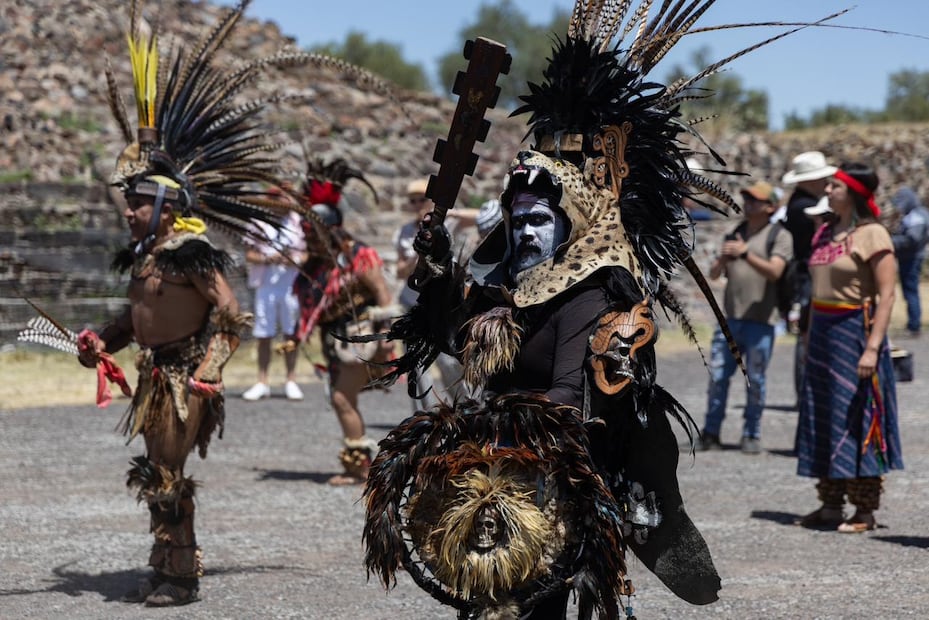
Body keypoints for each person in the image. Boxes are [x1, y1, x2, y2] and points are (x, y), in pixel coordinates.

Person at [357, 4, 814, 616]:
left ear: (570, 221)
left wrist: (497, 439)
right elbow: (450, 335)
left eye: (539, 219)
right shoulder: (506, 291)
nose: (525, 230)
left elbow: (569, 396)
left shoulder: (595, 292)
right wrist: (438, 268)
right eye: (518, 218)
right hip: (498, 464)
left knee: (539, 600)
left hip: (559, 470)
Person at [73, 3, 307, 606]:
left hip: (183, 379)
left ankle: (181, 576)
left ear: (163, 208)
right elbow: (135, 319)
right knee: (156, 471)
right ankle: (163, 563)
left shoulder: (192, 255)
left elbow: (230, 315)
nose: (128, 212)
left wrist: (208, 371)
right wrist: (102, 341)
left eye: (137, 203)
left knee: (169, 473)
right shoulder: (146, 256)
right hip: (154, 375)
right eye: (128, 203)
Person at [796, 162, 904, 533]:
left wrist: (872, 348)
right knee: (824, 414)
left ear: (854, 192)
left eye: (835, 186)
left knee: (860, 414)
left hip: (855, 333)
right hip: (822, 337)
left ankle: (864, 510)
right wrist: (809, 336)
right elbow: (816, 292)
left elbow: (887, 295)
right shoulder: (825, 232)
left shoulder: (873, 234)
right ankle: (830, 504)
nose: (827, 190)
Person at [291, 158, 397, 486]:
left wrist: (387, 337)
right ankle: (360, 465)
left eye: (313, 233)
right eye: (306, 232)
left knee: (341, 398)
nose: (308, 239)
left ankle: (361, 469)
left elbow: (383, 295)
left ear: (330, 230)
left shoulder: (358, 257)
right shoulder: (316, 265)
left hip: (361, 337)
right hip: (335, 341)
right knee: (341, 398)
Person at [698, 181, 793, 454]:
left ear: (770, 207)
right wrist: (723, 260)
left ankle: (751, 433)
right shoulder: (736, 233)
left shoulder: (779, 236)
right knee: (717, 377)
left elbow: (775, 272)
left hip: (761, 322)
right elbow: (714, 275)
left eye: (755, 200)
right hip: (730, 320)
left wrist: (745, 254)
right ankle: (711, 432)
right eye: (747, 199)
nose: (748, 204)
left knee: (756, 380)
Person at [393, 179, 473, 408]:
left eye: (422, 200)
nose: (418, 205)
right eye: (413, 201)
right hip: (415, 303)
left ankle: (465, 408)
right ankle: (424, 414)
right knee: (417, 365)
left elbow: (481, 215)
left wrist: (450, 213)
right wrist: (417, 255)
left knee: (449, 360)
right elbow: (400, 271)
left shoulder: (450, 223)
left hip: (444, 304)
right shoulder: (405, 232)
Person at [781, 151, 838, 401]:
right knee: (809, 331)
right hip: (809, 274)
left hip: (808, 272)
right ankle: (808, 392)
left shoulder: (799, 202)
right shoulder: (803, 207)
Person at [241, 196, 307, 402]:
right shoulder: (258, 223)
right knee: (263, 334)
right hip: (266, 285)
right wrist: (268, 259)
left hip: (290, 285)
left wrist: (294, 260)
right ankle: (262, 382)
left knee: (290, 333)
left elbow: (307, 253)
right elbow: (249, 254)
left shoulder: (297, 223)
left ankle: (291, 380)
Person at [889, 186, 929, 336]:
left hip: (912, 258)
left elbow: (912, 239)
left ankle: (914, 325)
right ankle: (913, 324)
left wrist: (892, 242)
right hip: (908, 257)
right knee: (909, 291)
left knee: (911, 291)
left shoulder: (916, 216)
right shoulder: (915, 214)